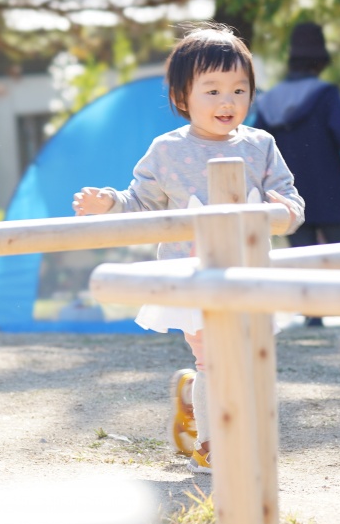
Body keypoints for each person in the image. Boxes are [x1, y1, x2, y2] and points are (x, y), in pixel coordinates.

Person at [72, 25, 304, 475]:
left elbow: (291, 200)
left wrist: (282, 211)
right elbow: (140, 203)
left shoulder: (261, 145)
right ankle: (213, 442)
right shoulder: (167, 150)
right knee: (215, 359)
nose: (227, 101)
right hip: (193, 278)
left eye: (239, 89)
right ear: (183, 97)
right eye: (212, 90)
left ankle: (194, 399)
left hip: (251, 275)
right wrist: (109, 203)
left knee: (250, 359)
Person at [255, 22, 340, 248]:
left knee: (306, 272)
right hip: (333, 196)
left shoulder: (269, 100)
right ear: (320, 61)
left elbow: (258, 148)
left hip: (291, 197)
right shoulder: (327, 95)